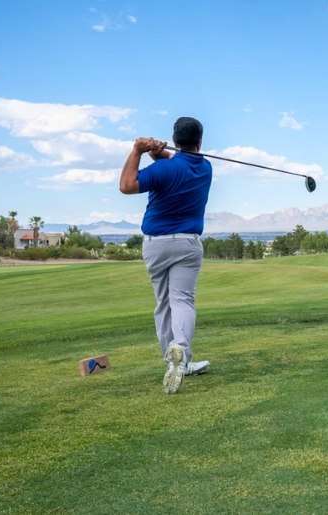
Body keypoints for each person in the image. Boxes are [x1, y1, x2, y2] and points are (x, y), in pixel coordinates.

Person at [119, 116, 213, 394]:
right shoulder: (205, 168)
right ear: (200, 142)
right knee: (182, 300)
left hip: (156, 244)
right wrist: (159, 154)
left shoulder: (164, 171)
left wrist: (138, 150)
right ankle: (180, 353)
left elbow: (126, 185)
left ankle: (173, 360)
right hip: (187, 243)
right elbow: (178, 162)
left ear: (174, 139)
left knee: (163, 303)